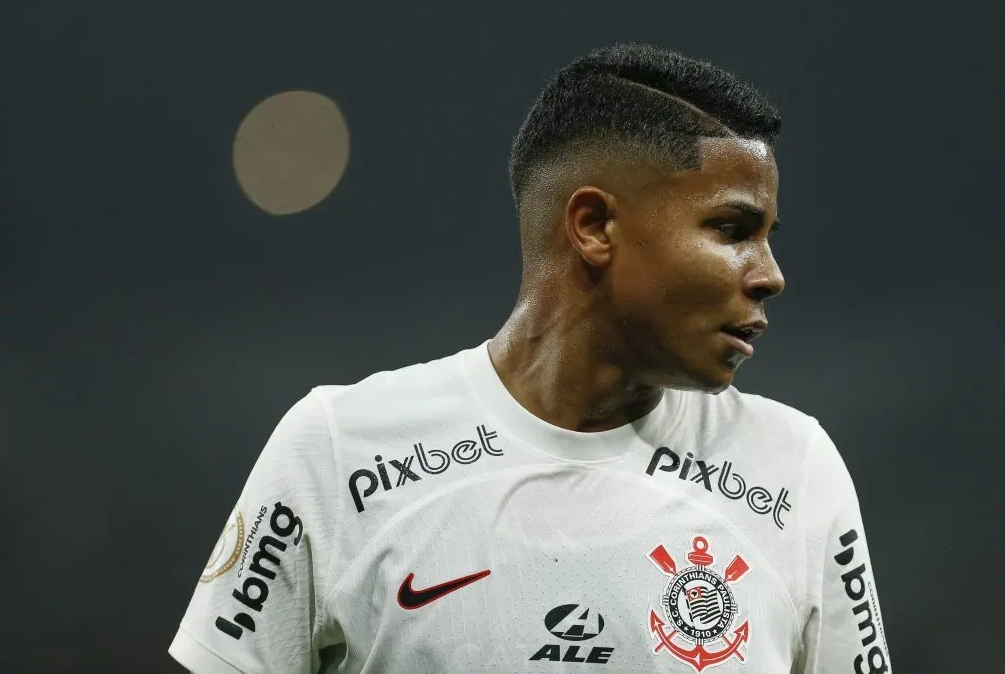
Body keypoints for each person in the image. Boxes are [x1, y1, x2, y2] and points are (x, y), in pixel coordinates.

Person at [168, 43, 892, 674]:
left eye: (766, 235)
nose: (770, 273)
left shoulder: (793, 472)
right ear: (594, 225)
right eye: (732, 227)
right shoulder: (336, 453)